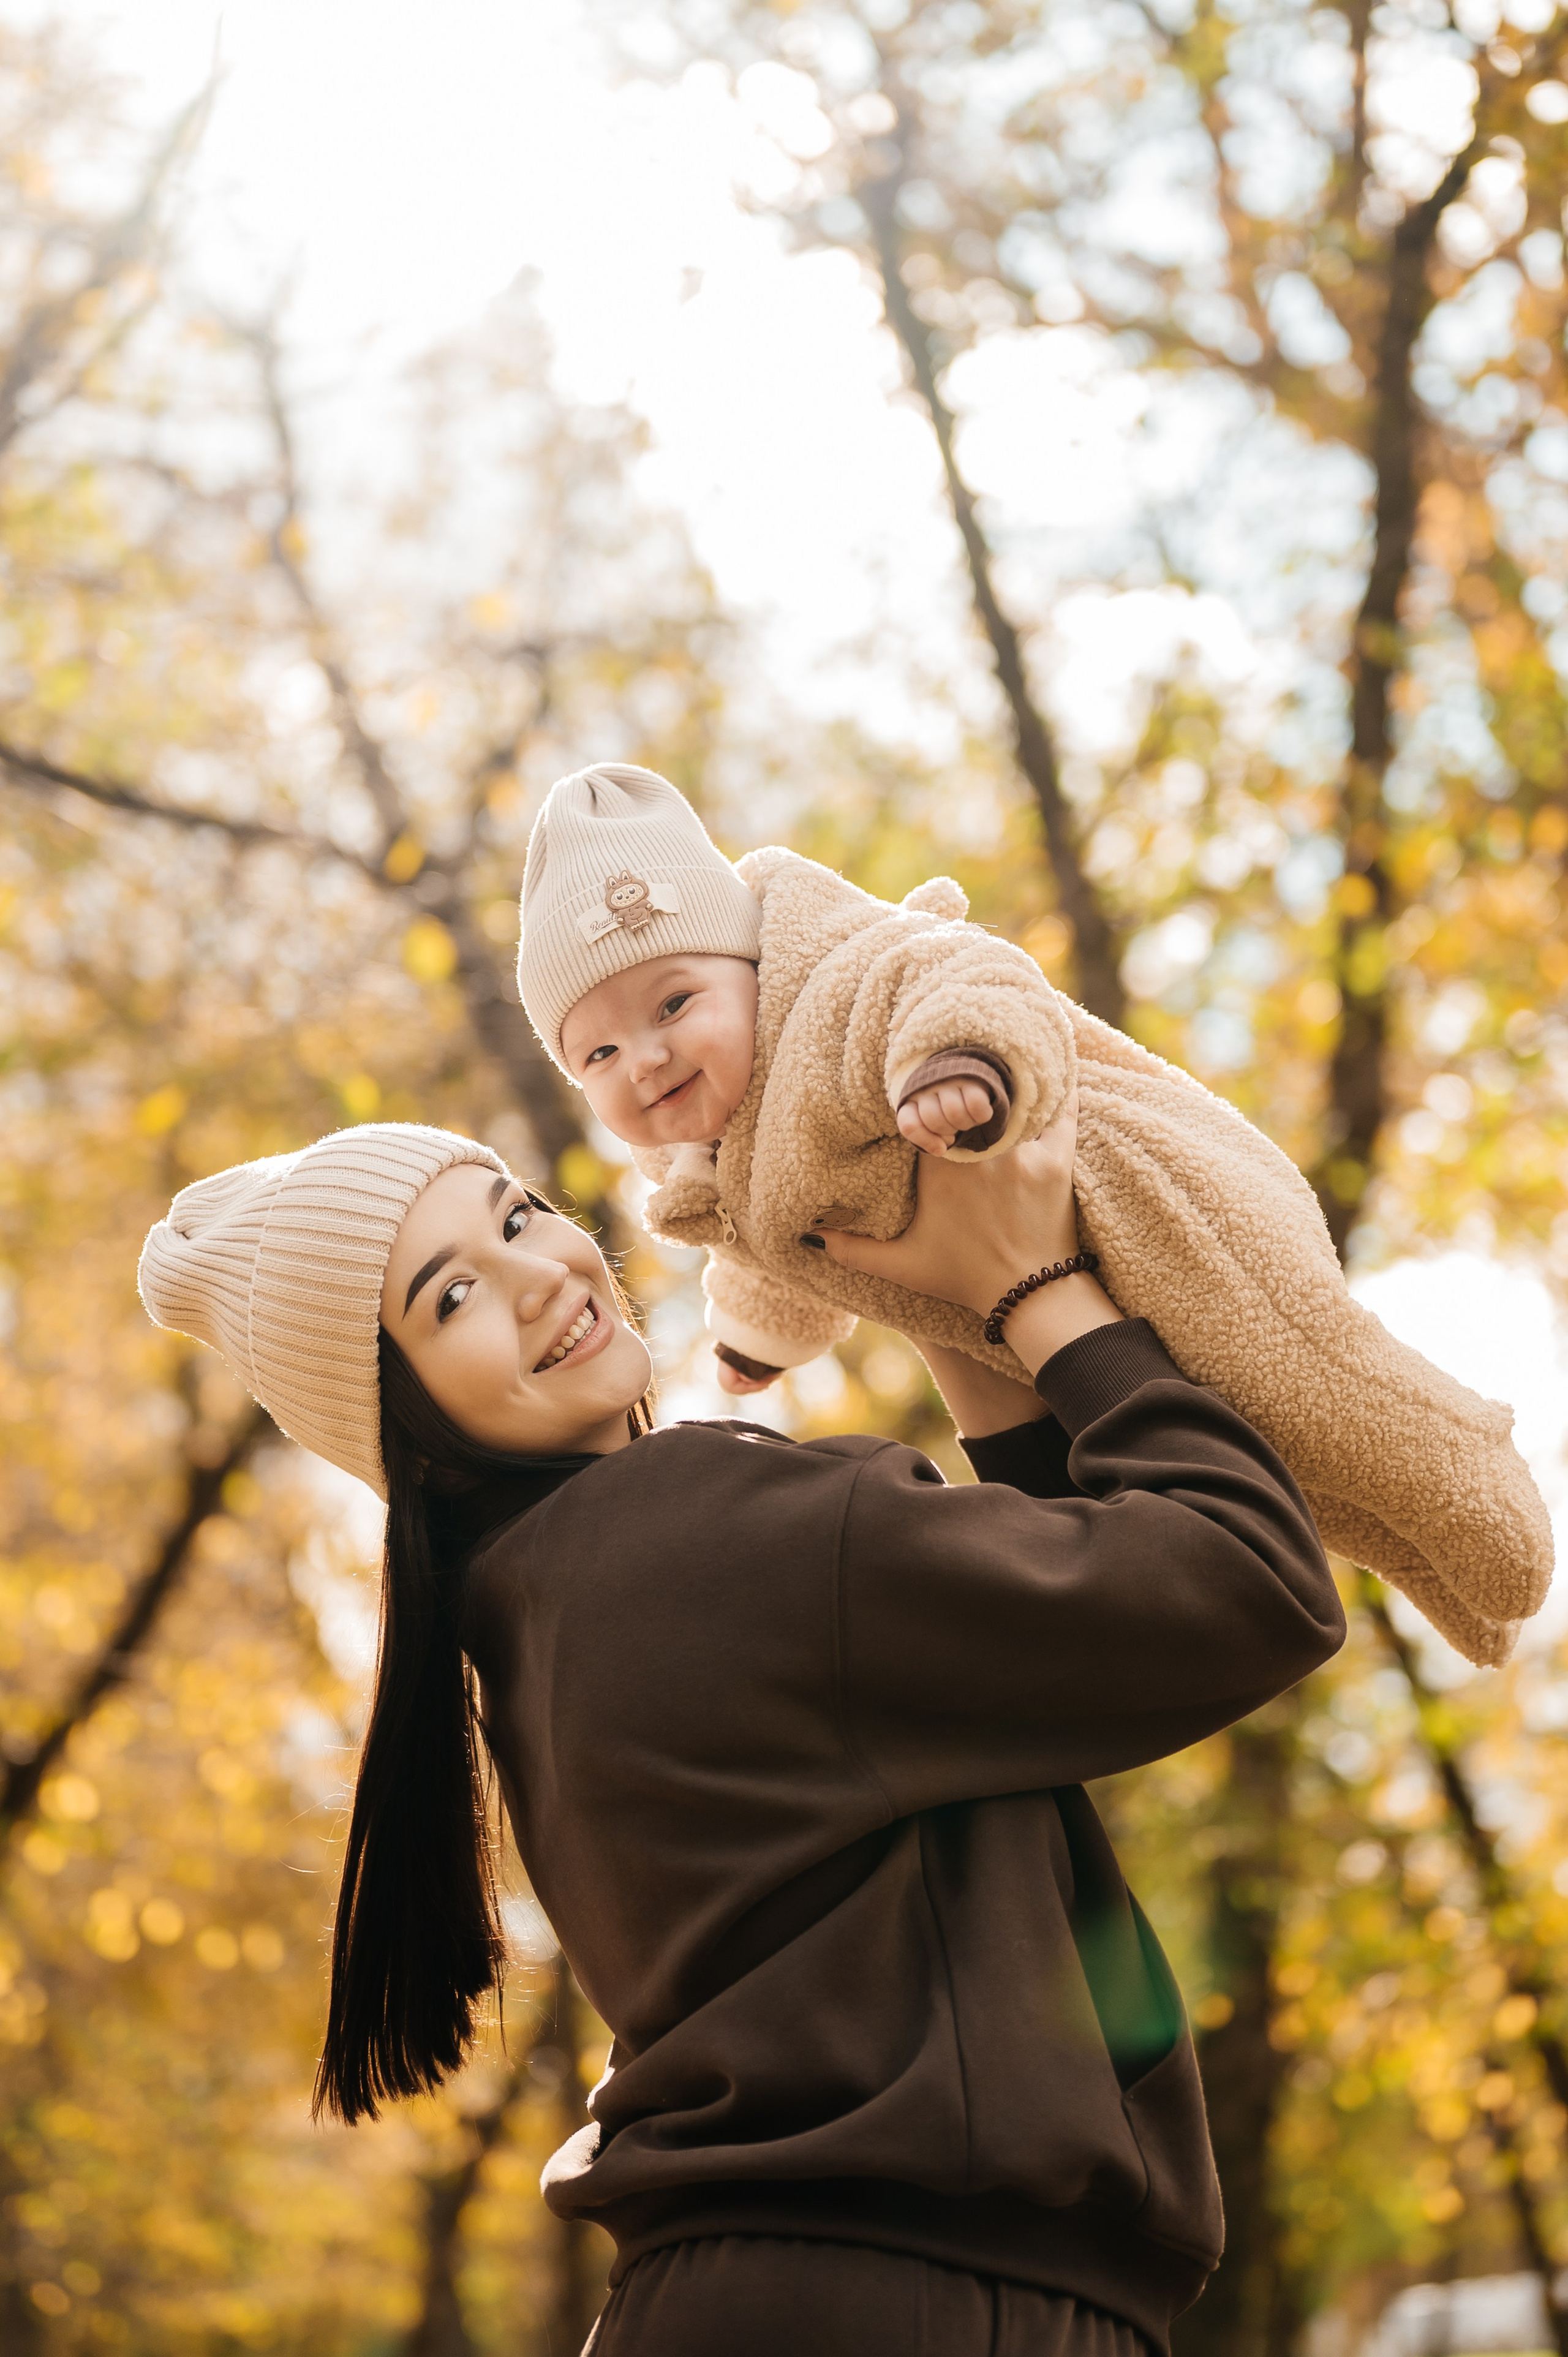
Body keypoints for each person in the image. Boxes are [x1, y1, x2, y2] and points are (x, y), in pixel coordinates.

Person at [138, 1110, 1345, 2357]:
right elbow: (1248, 1580)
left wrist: (958, 1320)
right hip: (909, 2298)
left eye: (515, 1215)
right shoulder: (694, 1529)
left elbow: (1076, 1654)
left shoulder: (541, 1614)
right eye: (451, 1298)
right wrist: (1032, 1285)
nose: (539, 1272)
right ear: (411, 1430)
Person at [513, 761, 1549, 1670]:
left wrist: (956, 1066)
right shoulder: (718, 1166)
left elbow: (964, 971)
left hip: (1147, 1201)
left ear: (752, 971)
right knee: (1282, 1464)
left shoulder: (838, 984)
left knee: (1308, 1388)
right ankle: (1458, 1585)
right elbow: (775, 1256)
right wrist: (752, 1347)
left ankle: (1478, 1490)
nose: (643, 1058)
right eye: (597, 1053)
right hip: (1021, 1308)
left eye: (673, 1005)